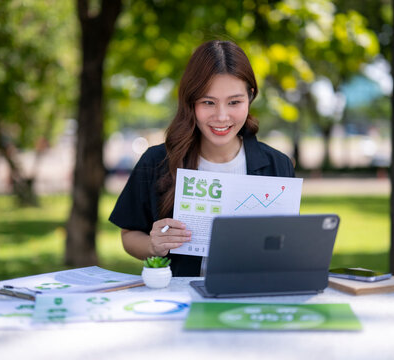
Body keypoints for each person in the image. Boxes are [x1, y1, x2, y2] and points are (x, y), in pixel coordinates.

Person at [109, 40, 295, 276]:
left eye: (234, 102)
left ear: (250, 97)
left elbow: (287, 244)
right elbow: (129, 235)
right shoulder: (157, 161)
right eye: (208, 102)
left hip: (254, 298)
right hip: (181, 301)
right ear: (191, 101)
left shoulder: (278, 164)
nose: (221, 116)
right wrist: (153, 246)